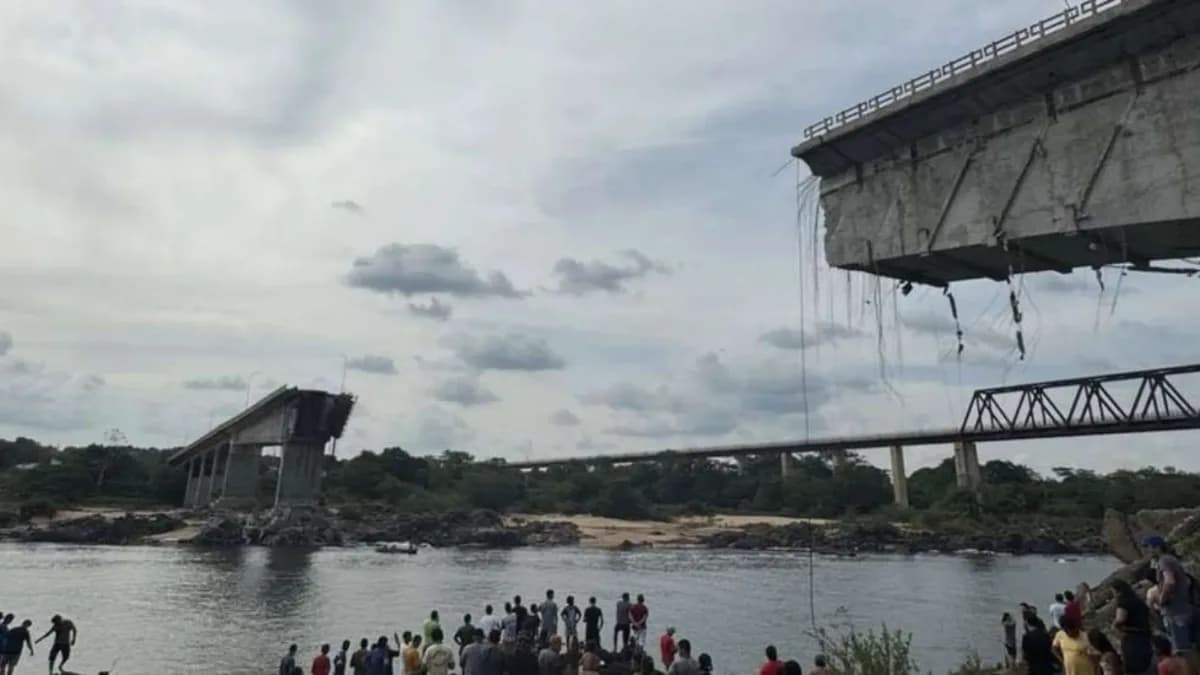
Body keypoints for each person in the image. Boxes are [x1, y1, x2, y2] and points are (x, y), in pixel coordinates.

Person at [1145, 535, 1195, 656]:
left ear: (1157, 547)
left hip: (1176, 610)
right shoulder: (1171, 559)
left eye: (1149, 547)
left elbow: (1169, 581)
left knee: (1181, 651)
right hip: (1184, 607)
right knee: (1190, 646)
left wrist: (1162, 598)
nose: (1147, 550)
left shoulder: (1164, 561)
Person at [1111, 579, 1154, 675]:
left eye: (1113, 592)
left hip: (1132, 637)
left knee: (1133, 665)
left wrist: (1114, 625)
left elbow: (1120, 619)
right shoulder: (1137, 600)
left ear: (1119, 591)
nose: (1113, 596)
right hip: (1144, 634)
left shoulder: (1123, 602)